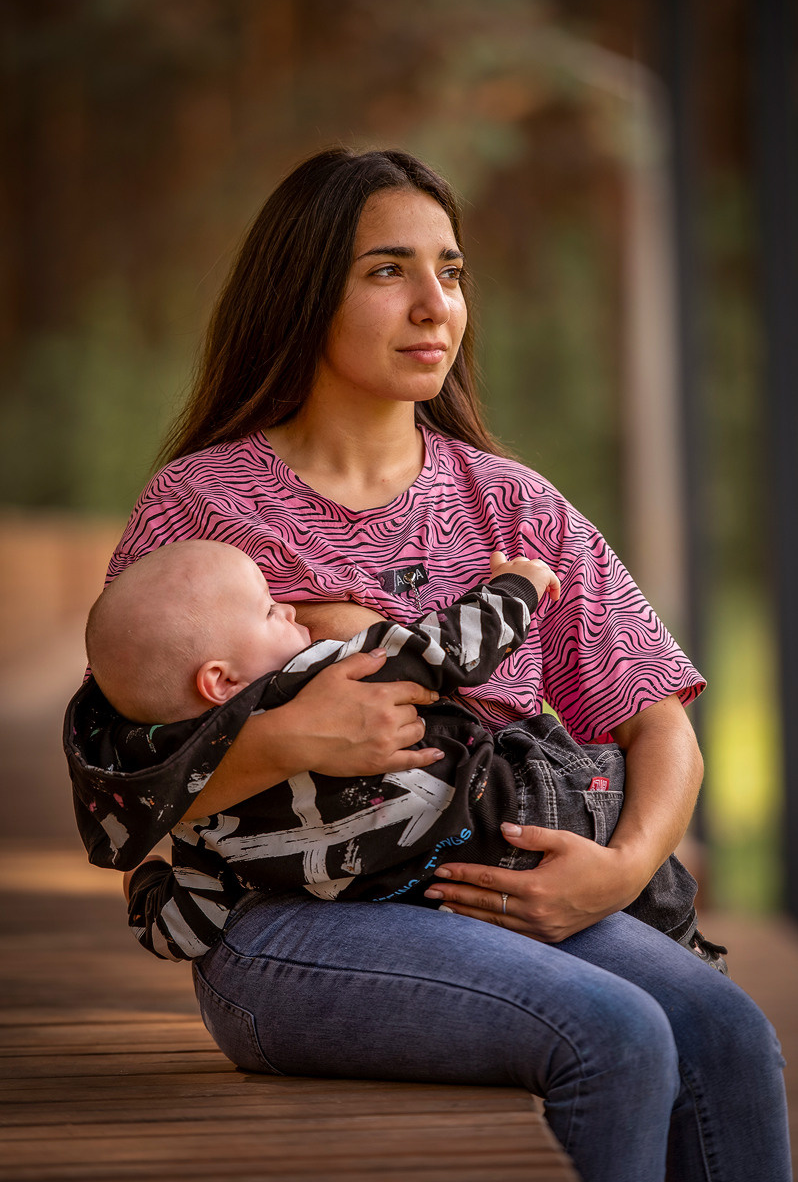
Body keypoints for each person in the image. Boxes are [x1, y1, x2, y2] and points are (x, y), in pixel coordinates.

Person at [64, 147, 790, 1182]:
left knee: (724, 1030)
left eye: (450, 272)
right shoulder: (202, 511)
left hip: (504, 894)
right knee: (616, 1037)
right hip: (288, 932)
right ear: (306, 292)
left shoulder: (516, 507)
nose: (432, 304)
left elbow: (658, 718)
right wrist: (284, 739)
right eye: (388, 271)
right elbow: (130, 797)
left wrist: (619, 872)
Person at [79, 537, 707, 966]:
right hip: (531, 805)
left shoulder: (201, 831)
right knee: (655, 880)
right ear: (220, 681)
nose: (293, 607)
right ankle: (688, 946)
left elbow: (182, 930)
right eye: (272, 610)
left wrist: (146, 886)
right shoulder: (323, 673)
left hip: (447, 888)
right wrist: (518, 585)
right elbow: (449, 653)